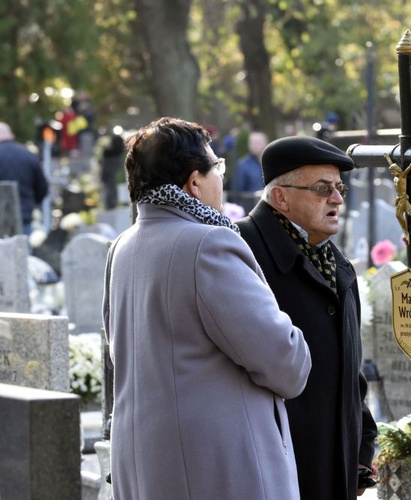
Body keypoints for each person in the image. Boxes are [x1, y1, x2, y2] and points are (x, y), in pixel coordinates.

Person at [103, 117, 312, 499]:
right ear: (194, 182)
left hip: (147, 465)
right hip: (216, 470)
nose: (221, 177)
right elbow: (287, 365)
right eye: (217, 166)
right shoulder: (210, 245)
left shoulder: (124, 246)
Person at [236, 136, 377, 499]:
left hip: (336, 469)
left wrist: (361, 450)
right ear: (280, 197)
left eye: (339, 188)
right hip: (274, 472)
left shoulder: (334, 262)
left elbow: (351, 370)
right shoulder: (241, 255)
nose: (338, 199)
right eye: (322, 189)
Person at [0, 122, 49, 235]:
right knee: (22, 250)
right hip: (23, 216)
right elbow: (42, 187)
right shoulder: (28, 155)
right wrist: (32, 203)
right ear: (11, 136)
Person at [231, 130, 267, 195]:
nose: (255, 145)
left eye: (258, 142)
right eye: (253, 142)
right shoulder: (242, 165)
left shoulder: (271, 163)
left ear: (266, 143)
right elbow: (237, 192)